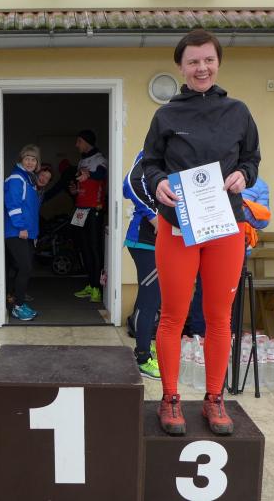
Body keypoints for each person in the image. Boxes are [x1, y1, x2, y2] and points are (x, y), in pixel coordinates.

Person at [142, 29, 261, 436]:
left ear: (218, 63)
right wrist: (158, 182)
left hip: (225, 225)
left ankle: (214, 398)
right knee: (173, 315)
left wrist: (244, 175)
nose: (202, 68)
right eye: (193, 61)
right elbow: (150, 164)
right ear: (181, 67)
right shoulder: (166, 115)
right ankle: (170, 398)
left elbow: (252, 159)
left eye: (208, 60)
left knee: (219, 317)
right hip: (178, 225)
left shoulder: (239, 111)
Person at [188, 176, 271, 336]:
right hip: (207, 242)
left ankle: (230, 334)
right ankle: (198, 334)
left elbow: (263, 221)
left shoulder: (259, 185)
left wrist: (238, 207)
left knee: (231, 293)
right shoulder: (212, 176)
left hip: (237, 247)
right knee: (204, 289)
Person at [123, 151, 161, 380]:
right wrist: (154, 217)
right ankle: (143, 358)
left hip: (166, 243)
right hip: (145, 242)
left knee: (152, 300)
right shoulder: (152, 152)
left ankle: (145, 348)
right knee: (150, 301)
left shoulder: (185, 155)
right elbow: (129, 184)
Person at [69, 130, 107, 303]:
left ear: (86, 142)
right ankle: (90, 284)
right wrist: (75, 190)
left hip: (94, 209)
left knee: (94, 248)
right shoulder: (82, 161)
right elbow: (84, 183)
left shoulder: (99, 159)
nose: (76, 145)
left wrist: (89, 174)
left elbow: (102, 174)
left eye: (79, 141)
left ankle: (97, 288)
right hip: (80, 209)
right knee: (83, 248)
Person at [4, 145, 42, 321]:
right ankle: (17, 307)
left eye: (33, 159)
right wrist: (21, 227)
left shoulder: (29, 179)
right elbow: (13, 204)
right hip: (16, 231)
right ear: (21, 159)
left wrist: (33, 233)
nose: (30, 162)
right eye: (27, 158)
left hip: (26, 232)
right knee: (24, 268)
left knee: (24, 268)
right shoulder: (17, 178)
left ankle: (18, 301)